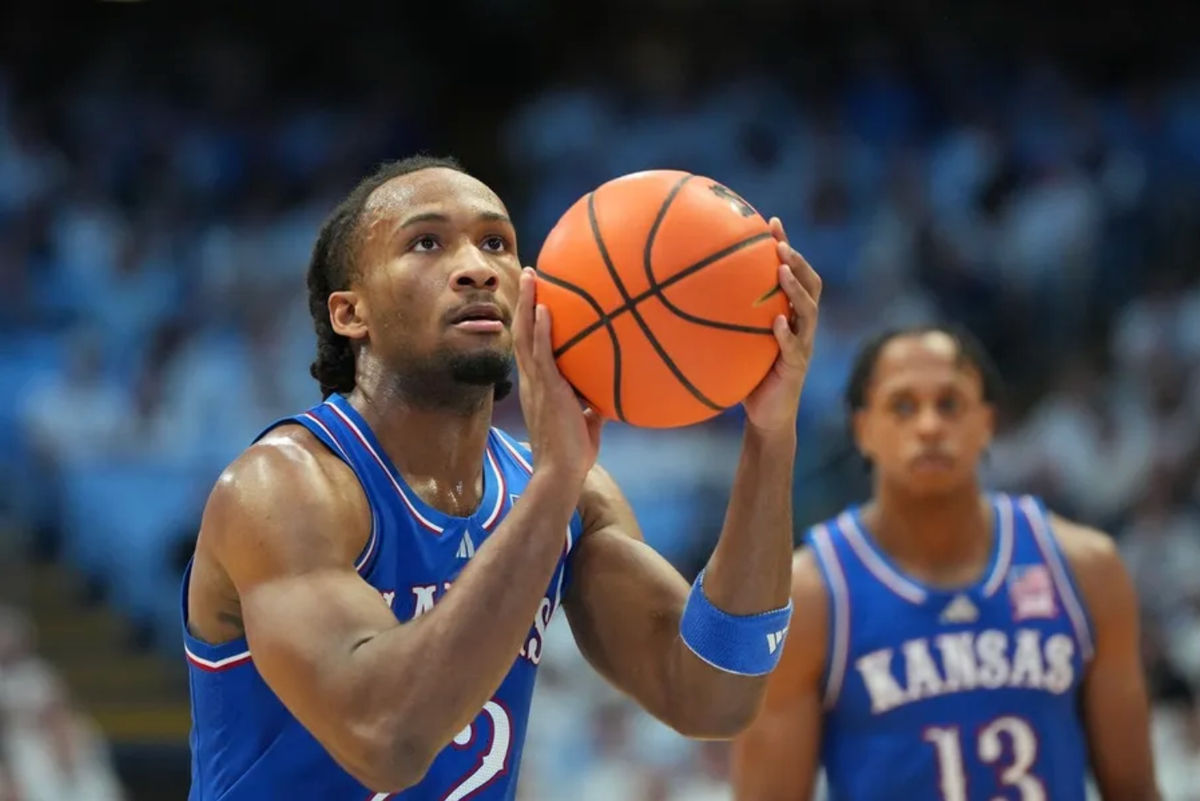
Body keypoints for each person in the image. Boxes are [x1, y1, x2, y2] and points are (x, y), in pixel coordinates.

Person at [182, 155, 822, 799]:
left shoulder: (569, 495)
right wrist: (554, 484)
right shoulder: (284, 489)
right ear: (351, 314)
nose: (477, 267)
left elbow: (712, 696)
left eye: (496, 243)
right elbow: (386, 739)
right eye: (425, 243)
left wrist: (770, 438)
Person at [732, 326, 1160, 801]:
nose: (930, 426)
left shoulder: (1086, 569)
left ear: (987, 421)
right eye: (902, 406)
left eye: (950, 404)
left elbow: (1135, 791)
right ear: (862, 429)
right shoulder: (809, 597)